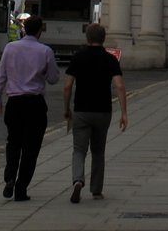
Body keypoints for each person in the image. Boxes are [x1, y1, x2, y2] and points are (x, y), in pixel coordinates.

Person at [0, 13, 60, 201]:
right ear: (39, 32)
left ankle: (10, 177)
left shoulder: (10, 48)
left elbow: (0, 78)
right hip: (35, 103)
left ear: (24, 29)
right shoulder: (45, 51)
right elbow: (54, 78)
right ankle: (21, 189)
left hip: (14, 102)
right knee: (31, 148)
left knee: (13, 142)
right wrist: (43, 73)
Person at [63, 23, 128, 203]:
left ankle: (78, 180)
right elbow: (120, 86)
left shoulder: (78, 57)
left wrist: (66, 108)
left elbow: (67, 86)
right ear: (103, 38)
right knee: (98, 151)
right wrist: (124, 113)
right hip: (102, 111)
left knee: (78, 150)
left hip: (81, 110)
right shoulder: (110, 60)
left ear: (87, 38)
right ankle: (96, 190)